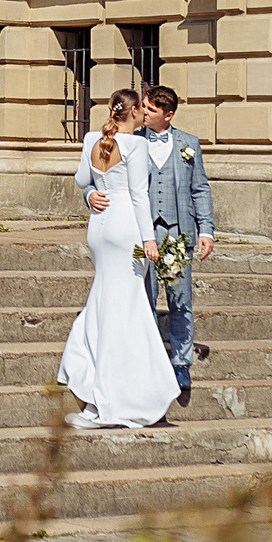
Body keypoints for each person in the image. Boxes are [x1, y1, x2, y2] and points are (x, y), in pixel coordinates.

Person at [57, 89, 181, 429]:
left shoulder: (92, 139)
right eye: (141, 107)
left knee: (107, 300)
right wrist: (149, 240)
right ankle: (118, 393)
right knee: (127, 308)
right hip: (127, 229)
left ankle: (92, 377)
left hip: (98, 227)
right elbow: (140, 195)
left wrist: (91, 193)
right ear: (133, 113)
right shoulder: (136, 145)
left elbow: (82, 179)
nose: (145, 112)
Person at [85, 83, 214, 406]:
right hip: (138, 235)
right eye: (143, 106)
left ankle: (181, 363)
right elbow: (92, 177)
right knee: (142, 296)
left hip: (177, 233)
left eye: (151, 108)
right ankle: (147, 361)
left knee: (180, 298)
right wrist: (90, 196)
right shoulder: (126, 140)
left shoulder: (189, 144)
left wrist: (207, 230)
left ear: (167, 115)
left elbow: (200, 188)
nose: (144, 111)